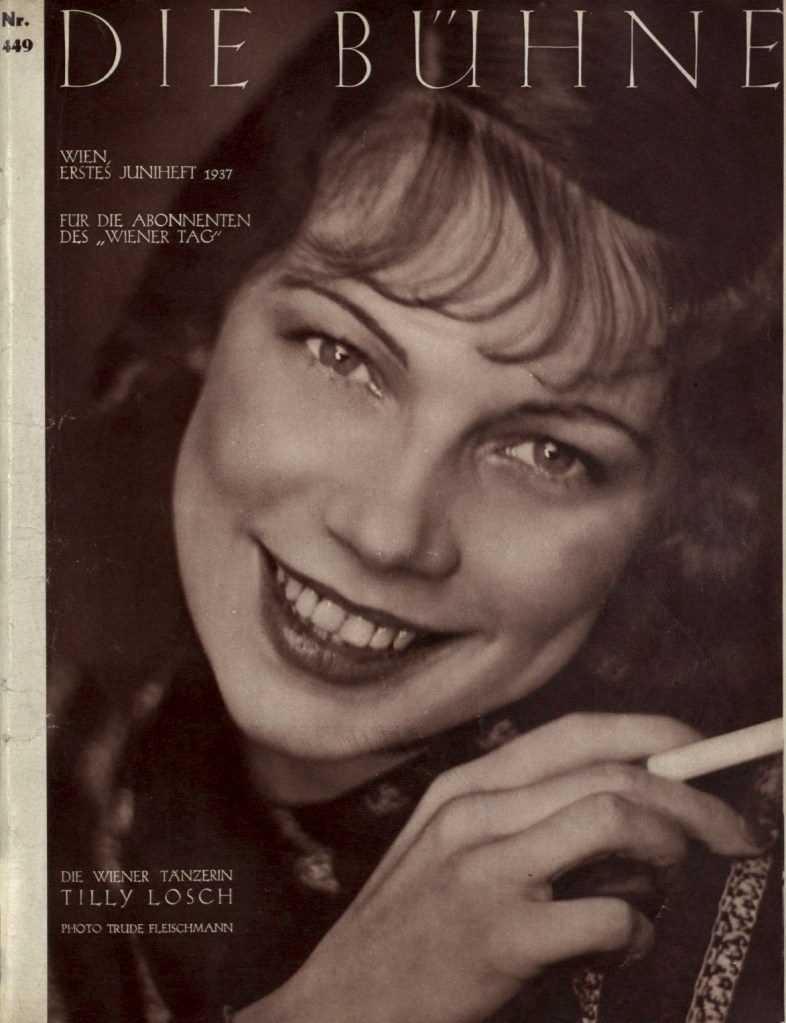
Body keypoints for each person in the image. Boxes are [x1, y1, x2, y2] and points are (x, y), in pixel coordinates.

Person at [48, 2, 782, 1021]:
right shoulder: (65, 749)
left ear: (680, 516)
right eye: (342, 355)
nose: (389, 532)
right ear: (212, 318)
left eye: (548, 453)